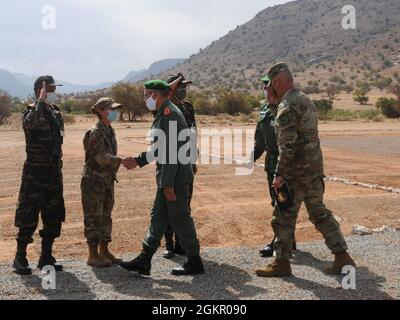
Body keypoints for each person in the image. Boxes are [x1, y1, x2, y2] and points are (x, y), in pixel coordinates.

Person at [256, 63, 356, 277]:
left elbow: (287, 145)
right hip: (314, 171)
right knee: (319, 214)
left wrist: (279, 175)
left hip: (295, 174)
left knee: (282, 216)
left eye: (269, 86)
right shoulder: (304, 100)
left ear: (274, 83)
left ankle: (281, 263)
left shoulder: (286, 107)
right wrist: (274, 105)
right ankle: (342, 256)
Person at [119, 79, 204, 276]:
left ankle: (194, 260)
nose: (144, 98)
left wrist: (167, 184)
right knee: (158, 217)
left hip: (175, 179)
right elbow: (160, 147)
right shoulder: (165, 112)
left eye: (146, 94)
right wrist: (139, 160)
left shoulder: (170, 114)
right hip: (169, 176)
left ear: (155, 95)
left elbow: (171, 152)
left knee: (180, 218)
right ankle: (145, 259)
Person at [14, 76, 65, 275]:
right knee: (28, 215)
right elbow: (31, 125)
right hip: (34, 174)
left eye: (53, 89)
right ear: (39, 90)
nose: (53, 92)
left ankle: (46, 256)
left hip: (53, 173)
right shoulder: (30, 111)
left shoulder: (55, 113)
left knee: (53, 215)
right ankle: (20, 257)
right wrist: (40, 102)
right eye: (50, 89)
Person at [81, 97, 131, 268]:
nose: (116, 112)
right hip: (94, 180)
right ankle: (93, 254)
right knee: (94, 216)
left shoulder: (109, 130)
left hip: (106, 180)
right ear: (102, 111)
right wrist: (121, 161)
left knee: (105, 215)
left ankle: (104, 250)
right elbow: (100, 157)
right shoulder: (96, 131)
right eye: (112, 109)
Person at [252, 75, 297, 258]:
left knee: (282, 202)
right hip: (271, 163)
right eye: (264, 86)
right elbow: (260, 139)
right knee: (277, 201)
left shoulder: (287, 107)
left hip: (285, 162)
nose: (266, 89)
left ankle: (279, 241)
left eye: (268, 86)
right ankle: (289, 239)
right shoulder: (264, 108)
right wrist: (251, 157)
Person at [162, 73, 198, 259]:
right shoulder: (165, 107)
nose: (184, 90)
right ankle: (168, 244)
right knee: (169, 203)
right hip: (169, 163)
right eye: (180, 86)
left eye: (186, 86)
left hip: (186, 163)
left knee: (184, 204)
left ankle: (180, 243)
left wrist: (193, 160)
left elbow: (193, 133)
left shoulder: (188, 107)